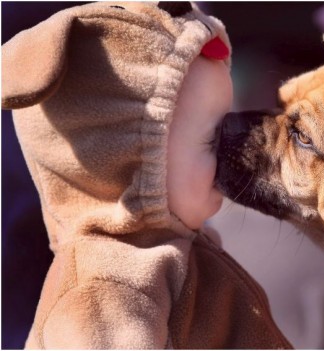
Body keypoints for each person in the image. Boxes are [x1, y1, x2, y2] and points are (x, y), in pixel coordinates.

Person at [1, 2, 291, 348]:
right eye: (212, 137)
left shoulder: (176, 256)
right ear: (126, 158)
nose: (232, 149)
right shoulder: (109, 291)